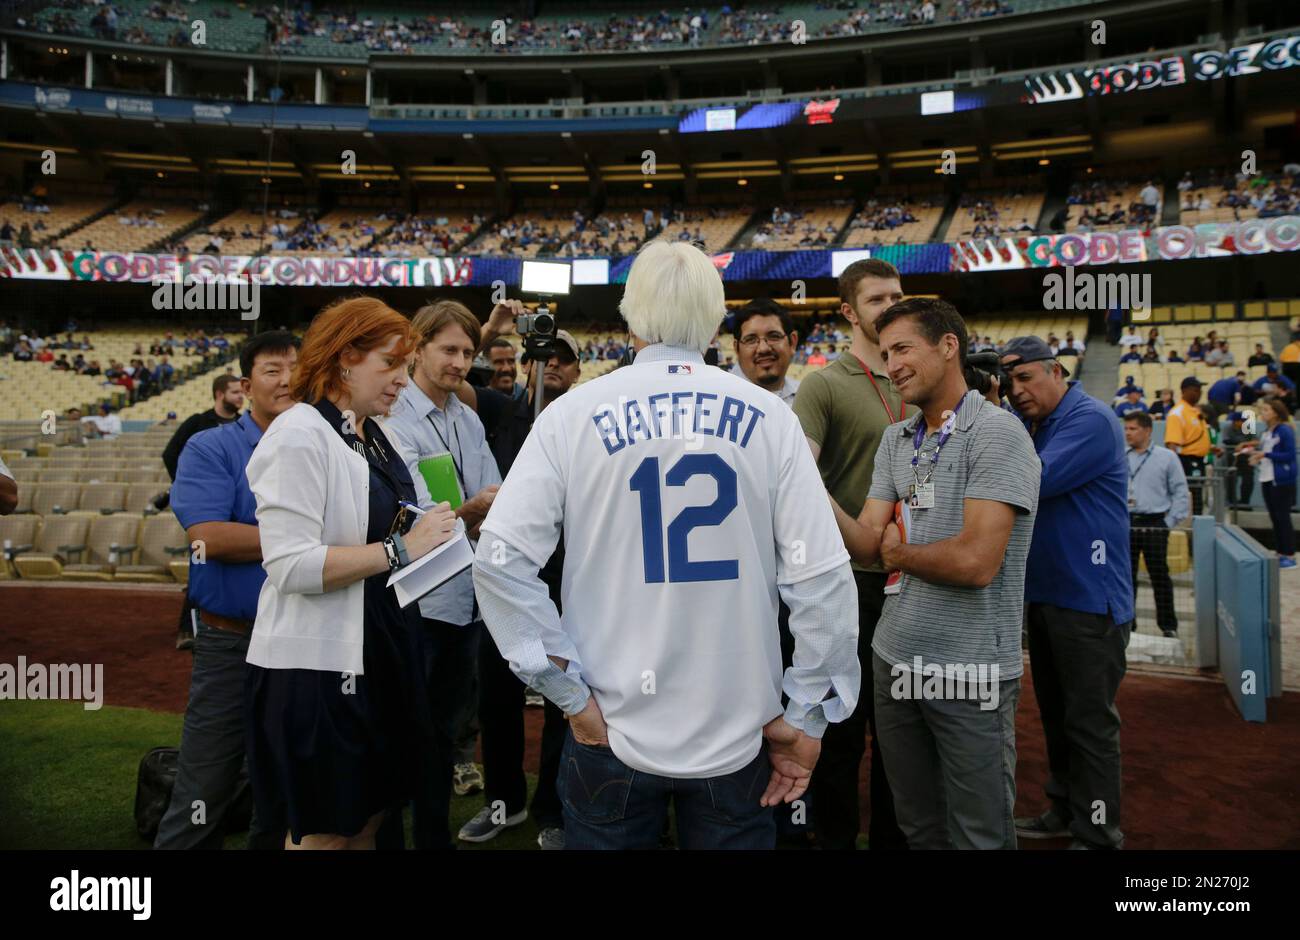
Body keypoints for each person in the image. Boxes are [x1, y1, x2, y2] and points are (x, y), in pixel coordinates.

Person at [472, 240, 860, 850]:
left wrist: (565, 690)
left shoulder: (572, 415)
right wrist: (808, 713)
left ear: (629, 319)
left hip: (611, 722)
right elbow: (823, 580)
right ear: (714, 322)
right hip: (738, 731)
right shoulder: (771, 416)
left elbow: (497, 562)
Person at [243, 296, 458, 850]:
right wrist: (401, 549)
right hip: (319, 666)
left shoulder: (368, 432)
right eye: (390, 364)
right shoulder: (297, 433)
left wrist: (431, 532)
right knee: (326, 832)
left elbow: (380, 528)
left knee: (368, 820)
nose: (402, 382)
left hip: (380, 648)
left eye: (405, 367)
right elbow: (290, 564)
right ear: (343, 359)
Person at [832, 298, 1040, 849]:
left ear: (949, 346)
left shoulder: (998, 434)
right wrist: (806, 480)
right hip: (894, 659)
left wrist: (900, 556)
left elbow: (976, 564)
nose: (892, 364)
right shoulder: (896, 439)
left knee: (980, 835)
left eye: (903, 348)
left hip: (971, 670)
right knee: (918, 827)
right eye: (884, 353)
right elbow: (867, 543)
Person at [153, 331, 300, 850]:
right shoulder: (209, 444)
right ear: (245, 384)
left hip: (301, 643)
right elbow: (208, 538)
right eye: (272, 369)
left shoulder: (320, 444)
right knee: (205, 788)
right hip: (231, 643)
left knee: (286, 793)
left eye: (295, 368)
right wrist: (309, 545)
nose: (287, 380)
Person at [453, 309, 583, 850]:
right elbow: (449, 377)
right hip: (502, 576)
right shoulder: (503, 409)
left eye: (562, 358)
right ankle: (504, 803)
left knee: (564, 697)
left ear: (577, 371)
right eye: (541, 356)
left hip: (566, 577)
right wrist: (489, 329)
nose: (550, 364)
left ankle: (555, 806)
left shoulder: (585, 416)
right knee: (498, 697)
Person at [794, 258, 909, 851]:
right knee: (842, 730)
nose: (891, 306)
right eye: (876, 300)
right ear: (848, 312)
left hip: (913, 583)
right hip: (851, 581)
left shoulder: (918, 376)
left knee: (902, 735)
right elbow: (798, 475)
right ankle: (835, 840)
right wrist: (859, 536)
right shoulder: (824, 384)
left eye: (898, 295)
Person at [1000, 337, 1132, 850]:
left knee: (1090, 725)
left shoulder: (1090, 418)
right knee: (1058, 718)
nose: (1017, 391)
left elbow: (1031, 481)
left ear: (1057, 371)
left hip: (1090, 601)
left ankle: (1099, 832)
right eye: (1009, 383)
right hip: (1050, 597)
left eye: (1026, 378)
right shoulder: (1038, 424)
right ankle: (1064, 809)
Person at [381, 301, 502, 850]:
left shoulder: (468, 417)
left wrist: (471, 509)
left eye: (468, 352)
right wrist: (473, 508)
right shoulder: (389, 414)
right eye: (448, 349)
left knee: (442, 739)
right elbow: (423, 513)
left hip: (462, 602)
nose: (459, 362)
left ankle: (430, 838)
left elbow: (481, 499)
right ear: (419, 345)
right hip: (414, 605)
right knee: (395, 736)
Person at [1122, 411, 1189, 638]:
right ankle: (1128, 624)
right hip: (1127, 522)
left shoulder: (1167, 457)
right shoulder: (1120, 456)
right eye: (1126, 428)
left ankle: (1168, 626)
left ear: (1148, 430)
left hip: (1155, 523)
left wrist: (1167, 523)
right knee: (1126, 576)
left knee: (1159, 575)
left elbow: (1180, 492)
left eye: (1133, 429)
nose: (1127, 433)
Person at [163, 374, 245, 480]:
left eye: (241, 392)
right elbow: (170, 454)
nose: (240, 396)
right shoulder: (197, 422)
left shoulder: (245, 424)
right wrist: (183, 484)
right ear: (220, 394)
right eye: (235, 392)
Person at [1247, 399, 1297, 569]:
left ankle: (1289, 554)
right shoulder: (1267, 432)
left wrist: (1265, 455)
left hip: (1281, 480)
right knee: (1275, 517)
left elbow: (1289, 455)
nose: (1263, 413)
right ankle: (1280, 551)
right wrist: (1256, 456)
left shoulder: (1284, 430)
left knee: (1283, 517)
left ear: (1276, 412)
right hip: (1267, 478)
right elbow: (1265, 451)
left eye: (1266, 410)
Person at [732, 297, 800, 406]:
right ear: (736, 349)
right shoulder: (718, 399)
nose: (763, 349)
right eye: (751, 340)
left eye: (774, 336)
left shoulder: (809, 398)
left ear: (792, 342)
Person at [1165, 377, 1212, 515]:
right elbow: (1172, 443)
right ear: (1184, 391)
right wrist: (1174, 467)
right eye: (1196, 390)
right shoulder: (1177, 413)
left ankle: (1197, 523)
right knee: (1192, 494)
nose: (1199, 393)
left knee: (1198, 494)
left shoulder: (1194, 411)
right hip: (1187, 461)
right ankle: (1190, 525)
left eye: (1200, 390)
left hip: (1198, 460)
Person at [1221, 411, 1258, 507]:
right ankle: (1232, 502)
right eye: (1241, 421)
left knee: (1248, 479)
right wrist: (1240, 443)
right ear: (1235, 421)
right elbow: (1226, 440)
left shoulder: (1248, 427)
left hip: (1246, 456)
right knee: (1231, 479)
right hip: (1232, 456)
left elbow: (1256, 441)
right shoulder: (1228, 428)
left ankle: (1245, 502)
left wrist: (1243, 444)